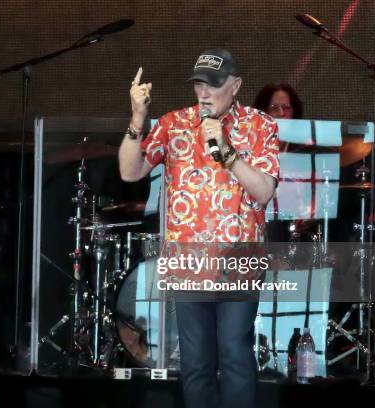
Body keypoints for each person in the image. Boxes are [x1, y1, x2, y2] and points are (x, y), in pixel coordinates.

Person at [119, 49, 279, 408]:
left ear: (235, 86)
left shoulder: (260, 125)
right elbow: (130, 171)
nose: (204, 93)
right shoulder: (174, 123)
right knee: (195, 361)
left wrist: (226, 151)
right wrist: (138, 118)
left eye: (214, 85)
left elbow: (264, 190)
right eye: (198, 85)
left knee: (235, 350)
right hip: (188, 262)